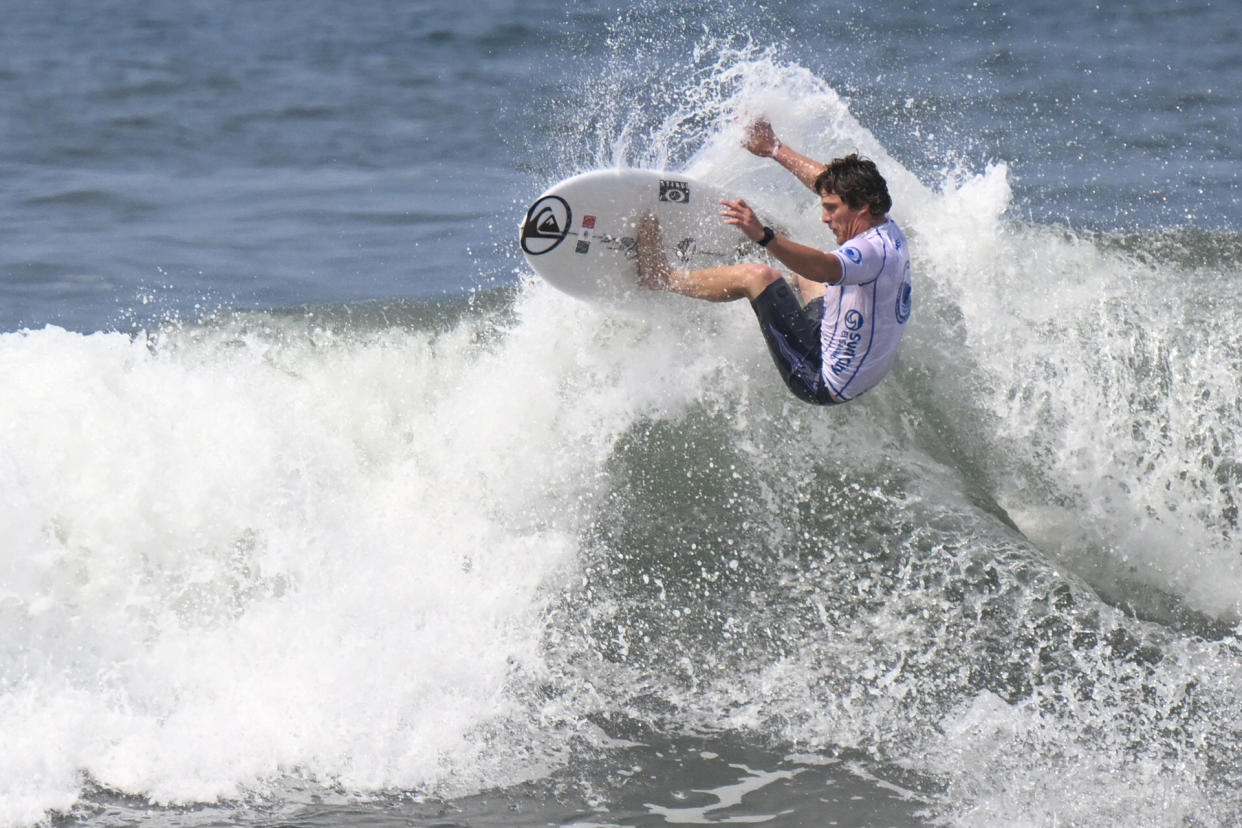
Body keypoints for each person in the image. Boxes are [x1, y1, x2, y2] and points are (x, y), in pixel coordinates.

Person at [637, 119, 912, 405]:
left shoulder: (869, 252)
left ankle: (662, 278)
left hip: (820, 377)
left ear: (862, 207)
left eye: (832, 210)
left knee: (757, 276)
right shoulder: (884, 226)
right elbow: (827, 185)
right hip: (855, 361)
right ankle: (775, 287)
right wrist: (774, 148)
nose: (824, 217)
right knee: (805, 271)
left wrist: (764, 236)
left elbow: (825, 267)